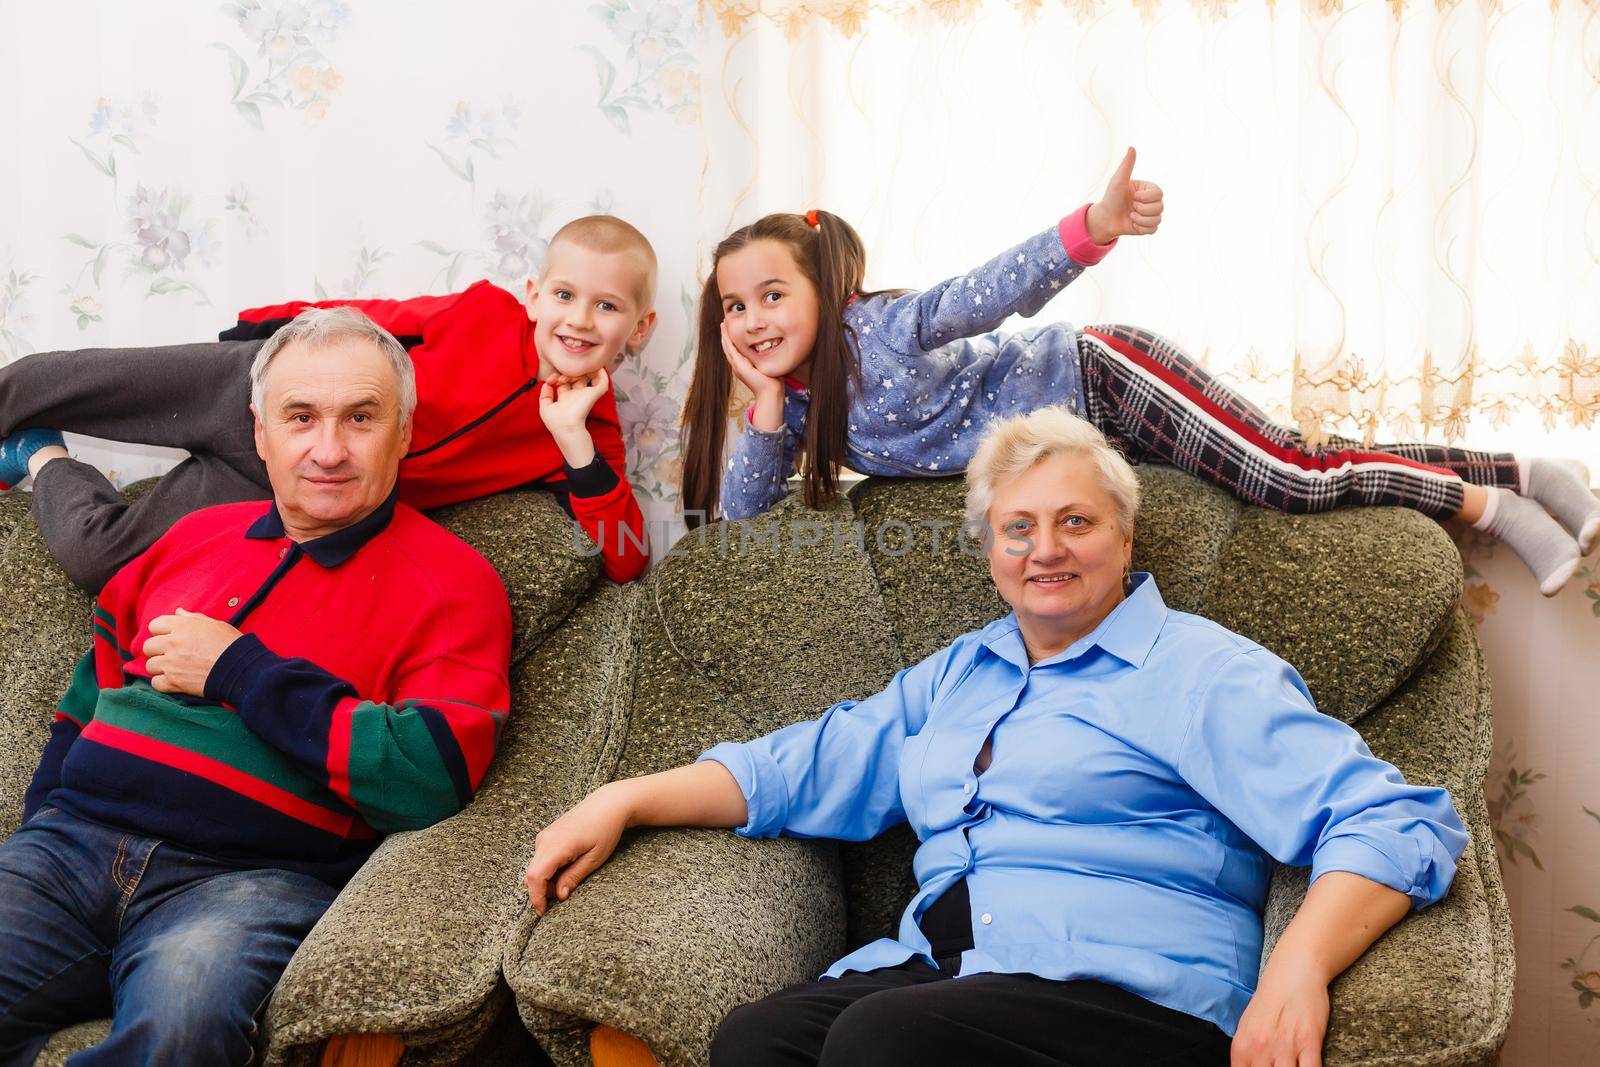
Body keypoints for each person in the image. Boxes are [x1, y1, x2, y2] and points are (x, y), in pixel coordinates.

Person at [525, 405, 1468, 1067]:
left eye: (1074, 521)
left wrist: (1297, 968)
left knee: (880, 1043)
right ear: (989, 551)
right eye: (1017, 527)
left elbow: (1395, 819)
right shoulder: (965, 670)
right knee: (758, 1042)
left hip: (1131, 995)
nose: (1045, 548)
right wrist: (628, 795)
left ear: (1125, 537)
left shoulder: (1201, 672)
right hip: (947, 977)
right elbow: (811, 764)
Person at [677, 148, 1599, 596]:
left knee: (1285, 475)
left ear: (822, 287)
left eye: (771, 296)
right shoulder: (793, 414)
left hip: (1103, 379)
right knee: (1305, 454)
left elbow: (989, 291)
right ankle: (1526, 472)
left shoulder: (879, 329)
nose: (752, 320)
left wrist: (1093, 226)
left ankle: (1496, 508)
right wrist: (759, 405)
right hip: (1097, 431)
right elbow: (745, 526)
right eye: (733, 307)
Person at [0, 307, 513, 1066]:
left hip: (246, 884)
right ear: (260, 431)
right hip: (68, 850)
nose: (328, 449)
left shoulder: (454, 585)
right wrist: (37, 835)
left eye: (361, 418)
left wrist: (240, 670)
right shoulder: (192, 534)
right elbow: (86, 701)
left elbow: (430, 775)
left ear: (403, 431)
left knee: (181, 1029)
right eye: (300, 416)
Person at [0, 214, 658, 590]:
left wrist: (573, 444)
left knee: (100, 563)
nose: (580, 320)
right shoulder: (485, 310)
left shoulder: (587, 434)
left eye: (607, 306)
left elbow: (628, 557)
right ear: (534, 294)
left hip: (278, 480)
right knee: (48, 378)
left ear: (640, 327)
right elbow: (374, 316)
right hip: (247, 382)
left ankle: (40, 455)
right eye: (566, 295)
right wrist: (262, 328)